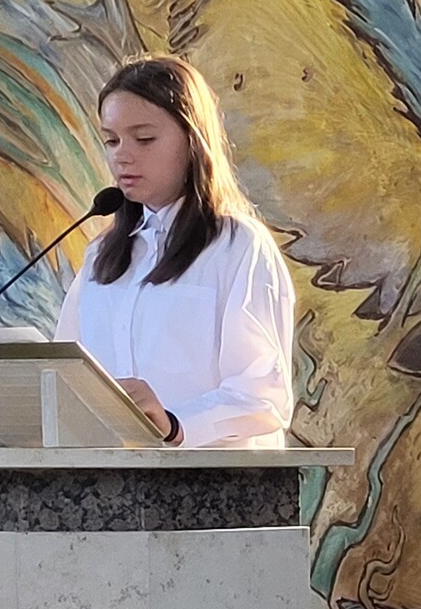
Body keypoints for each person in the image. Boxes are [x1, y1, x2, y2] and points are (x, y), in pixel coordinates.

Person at [56, 56, 296, 448]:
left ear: (192, 140)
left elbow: (263, 397)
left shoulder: (237, 247)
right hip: (113, 477)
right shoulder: (101, 256)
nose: (122, 156)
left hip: (217, 479)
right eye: (111, 141)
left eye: (144, 139)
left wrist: (173, 425)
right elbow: (63, 380)